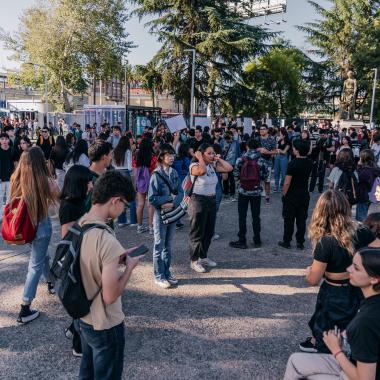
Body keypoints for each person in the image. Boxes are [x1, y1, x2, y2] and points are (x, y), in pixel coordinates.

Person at [76, 171, 141, 380]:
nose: (123, 210)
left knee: (87, 371)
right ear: (115, 201)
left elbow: (90, 261)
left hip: (83, 316)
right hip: (106, 323)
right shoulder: (107, 240)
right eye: (125, 204)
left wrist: (117, 258)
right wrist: (129, 268)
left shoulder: (81, 224)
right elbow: (110, 296)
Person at [284, 248, 380, 380]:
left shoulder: (365, 321)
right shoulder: (370, 301)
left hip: (358, 373)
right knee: (295, 361)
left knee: (305, 375)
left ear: (374, 279)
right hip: (356, 362)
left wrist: (336, 349)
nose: (349, 269)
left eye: (356, 268)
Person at [299, 190, 374, 354]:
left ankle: (323, 347)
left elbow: (313, 279)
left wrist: (308, 271)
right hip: (358, 287)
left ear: (321, 212)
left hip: (334, 291)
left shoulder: (325, 242)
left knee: (327, 323)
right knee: (353, 320)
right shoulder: (362, 231)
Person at [11, 147, 59, 323]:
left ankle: (52, 282)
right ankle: (25, 307)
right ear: (41, 162)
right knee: (35, 264)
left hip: (26, 229)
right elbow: (59, 196)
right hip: (42, 227)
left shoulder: (17, 179)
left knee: (42, 257)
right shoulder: (45, 181)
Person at [59, 165, 93, 357]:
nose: (91, 185)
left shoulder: (79, 201)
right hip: (76, 259)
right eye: (88, 181)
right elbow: (67, 237)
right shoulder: (70, 205)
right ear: (79, 183)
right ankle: (78, 345)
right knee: (82, 302)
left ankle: (73, 330)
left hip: (83, 254)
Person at [189, 143, 232, 273]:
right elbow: (201, 171)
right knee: (197, 232)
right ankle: (194, 260)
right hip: (198, 200)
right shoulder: (194, 166)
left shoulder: (212, 166)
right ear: (201, 154)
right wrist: (200, 158)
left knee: (209, 232)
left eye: (213, 153)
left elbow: (229, 168)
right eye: (209, 153)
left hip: (211, 200)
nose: (212, 155)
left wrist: (218, 159)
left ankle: (203, 256)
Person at [148, 144, 184, 288]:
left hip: (172, 213)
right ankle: (159, 275)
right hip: (160, 214)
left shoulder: (174, 172)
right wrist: (170, 199)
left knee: (168, 245)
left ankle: (167, 272)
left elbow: (181, 193)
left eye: (172, 155)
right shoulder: (156, 175)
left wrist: (173, 203)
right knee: (159, 245)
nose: (171, 157)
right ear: (161, 157)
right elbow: (152, 198)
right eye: (168, 155)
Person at [229, 138, 269, 249]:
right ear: (258, 147)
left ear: (247, 146)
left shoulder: (240, 159)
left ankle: (242, 240)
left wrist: (240, 183)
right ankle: (257, 239)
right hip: (256, 192)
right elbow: (265, 177)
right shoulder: (262, 160)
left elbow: (235, 174)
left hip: (243, 191)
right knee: (256, 216)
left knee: (242, 216)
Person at [278, 139, 313, 250]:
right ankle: (300, 242)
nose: (293, 149)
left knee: (289, 220)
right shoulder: (310, 162)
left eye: (294, 148)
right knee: (301, 220)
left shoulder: (292, 164)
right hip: (304, 194)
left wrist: (284, 194)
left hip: (292, 195)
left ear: (297, 150)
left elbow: (287, 182)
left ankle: (287, 241)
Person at [112, 136, 136, 228]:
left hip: (117, 173)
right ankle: (133, 220)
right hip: (126, 173)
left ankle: (122, 220)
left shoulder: (115, 151)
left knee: (120, 197)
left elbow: (113, 164)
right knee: (131, 197)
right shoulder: (128, 151)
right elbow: (130, 166)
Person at [85, 139, 113, 211]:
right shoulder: (89, 180)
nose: (111, 158)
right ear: (104, 157)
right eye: (110, 154)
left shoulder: (104, 175)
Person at [135, 138, 156, 234]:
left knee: (140, 204)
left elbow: (134, 167)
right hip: (151, 181)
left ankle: (139, 227)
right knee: (150, 205)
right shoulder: (153, 157)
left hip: (140, 181)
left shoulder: (137, 156)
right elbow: (155, 169)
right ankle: (151, 227)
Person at [356, 149, 380, 221]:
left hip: (363, 195)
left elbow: (358, 180)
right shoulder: (375, 168)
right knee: (363, 213)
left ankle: (364, 230)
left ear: (363, 158)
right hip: (370, 195)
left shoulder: (365, 171)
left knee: (360, 217)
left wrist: (359, 167)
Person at [256, 124, 276, 205]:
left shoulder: (271, 139)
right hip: (257, 163)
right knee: (257, 180)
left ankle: (267, 197)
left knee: (267, 181)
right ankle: (256, 196)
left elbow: (275, 151)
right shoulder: (257, 139)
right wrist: (259, 149)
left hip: (268, 163)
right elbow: (251, 148)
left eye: (263, 129)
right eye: (260, 129)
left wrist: (267, 152)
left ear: (267, 130)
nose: (261, 130)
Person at [222, 131, 240, 200]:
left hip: (233, 163)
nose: (228, 139)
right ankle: (226, 193)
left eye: (229, 137)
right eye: (227, 138)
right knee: (225, 179)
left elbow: (238, 152)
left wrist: (238, 162)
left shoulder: (236, 142)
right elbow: (220, 151)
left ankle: (232, 194)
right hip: (224, 163)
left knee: (232, 179)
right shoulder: (223, 141)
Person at [0, 133, 14, 218]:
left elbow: (15, 165)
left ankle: (8, 215)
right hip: (1, 179)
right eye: (2, 139)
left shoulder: (12, 150)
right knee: (0, 198)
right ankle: (1, 216)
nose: (4, 141)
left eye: (6, 139)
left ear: (9, 140)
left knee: (10, 198)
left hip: (10, 178)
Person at [274, 127, 291, 192]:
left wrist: (279, 150)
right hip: (277, 157)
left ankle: (281, 186)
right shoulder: (279, 141)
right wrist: (278, 150)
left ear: (284, 135)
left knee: (284, 173)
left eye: (280, 134)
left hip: (284, 158)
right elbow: (276, 149)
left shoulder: (288, 142)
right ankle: (276, 186)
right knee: (276, 172)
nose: (279, 135)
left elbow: (284, 152)